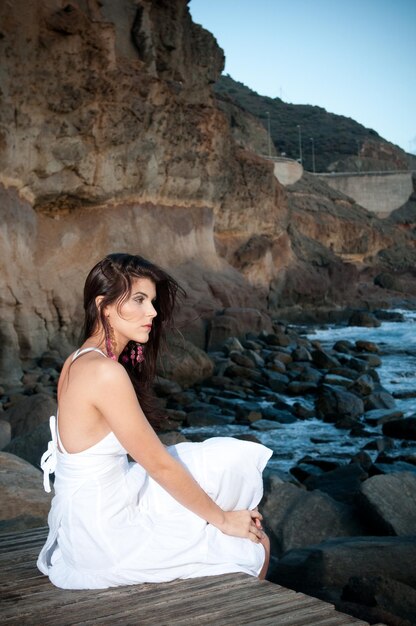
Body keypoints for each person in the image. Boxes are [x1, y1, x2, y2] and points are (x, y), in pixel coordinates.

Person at [37, 253, 272, 590]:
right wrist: (221, 520)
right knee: (256, 545)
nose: (152, 312)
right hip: (105, 536)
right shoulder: (105, 372)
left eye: (152, 301)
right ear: (104, 306)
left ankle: (224, 524)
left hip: (93, 511)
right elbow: (160, 465)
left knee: (226, 459)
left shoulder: (79, 359)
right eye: (139, 300)